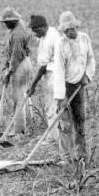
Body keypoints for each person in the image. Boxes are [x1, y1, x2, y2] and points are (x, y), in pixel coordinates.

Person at [53, 11, 96, 164]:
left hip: (79, 86)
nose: (69, 32)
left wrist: (87, 76)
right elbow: (58, 70)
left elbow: (91, 59)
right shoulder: (60, 43)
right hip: (64, 86)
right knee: (64, 123)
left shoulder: (84, 38)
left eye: (71, 29)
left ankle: (82, 155)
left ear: (76, 27)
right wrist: (61, 96)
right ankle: (66, 157)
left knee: (80, 120)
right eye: (66, 30)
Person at [27, 14, 64, 149]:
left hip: (53, 75)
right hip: (56, 73)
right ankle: (55, 135)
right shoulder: (51, 32)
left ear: (43, 27)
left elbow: (42, 66)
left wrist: (33, 85)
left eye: (36, 30)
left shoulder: (49, 39)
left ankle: (52, 138)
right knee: (55, 107)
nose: (34, 33)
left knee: (51, 107)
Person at [0, 7, 33, 135]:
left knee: (18, 97)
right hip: (25, 62)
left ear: (13, 21)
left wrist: (10, 71)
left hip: (20, 65)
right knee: (24, 94)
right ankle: (30, 121)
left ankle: (19, 129)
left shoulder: (17, 33)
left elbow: (16, 54)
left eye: (7, 22)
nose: (5, 24)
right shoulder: (19, 27)